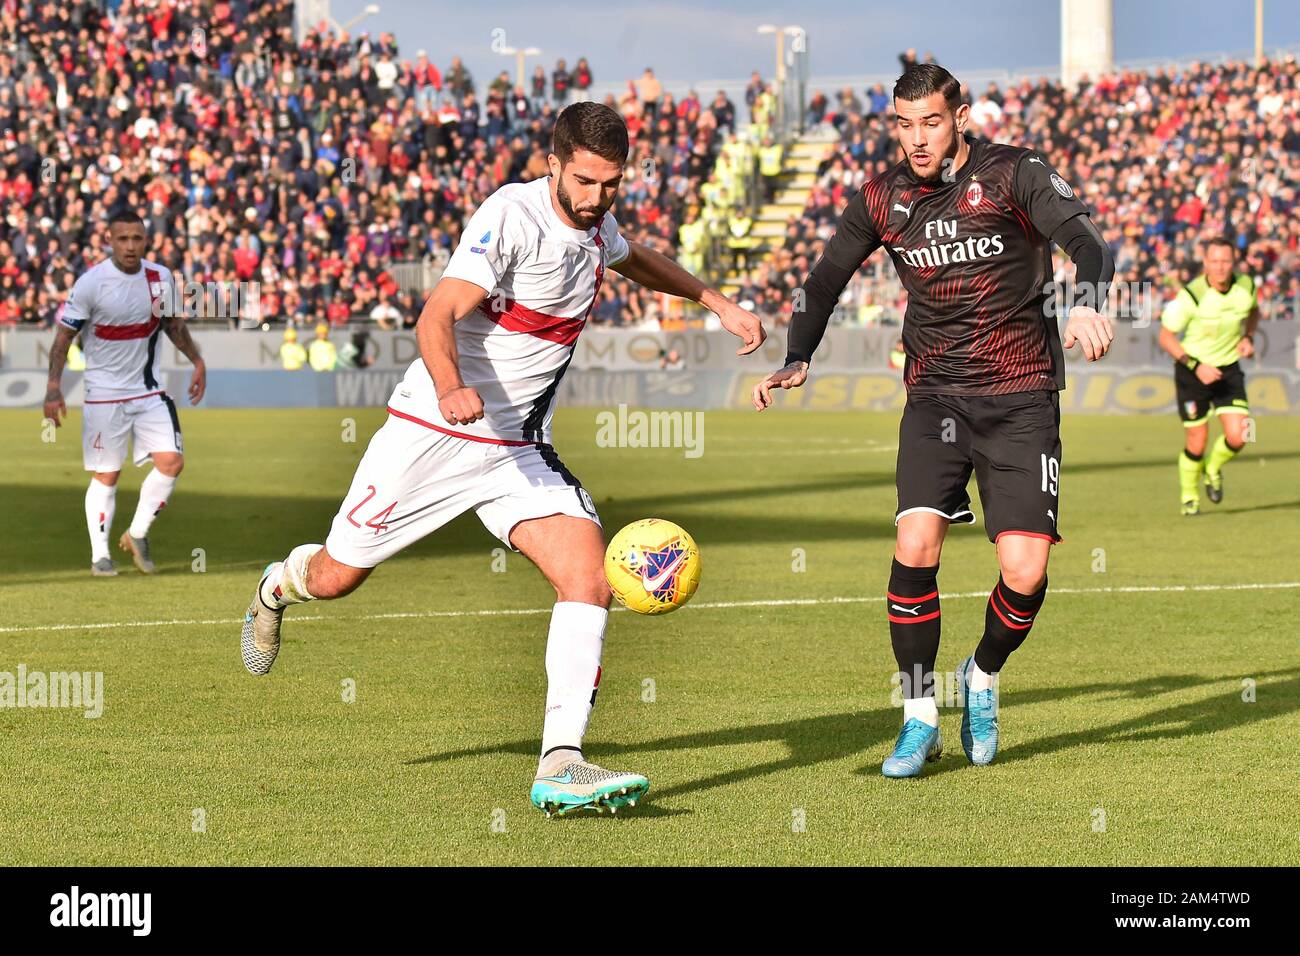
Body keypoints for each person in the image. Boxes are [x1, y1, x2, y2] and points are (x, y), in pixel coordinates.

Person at [239, 102, 765, 815]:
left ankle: (561, 762)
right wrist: (452, 388)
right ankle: (277, 586)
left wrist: (716, 302)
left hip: (517, 448)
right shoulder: (510, 216)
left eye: (611, 185)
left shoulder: (595, 220)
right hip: (434, 433)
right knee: (335, 578)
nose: (597, 198)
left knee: (587, 576)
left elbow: (632, 256)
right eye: (584, 181)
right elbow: (437, 313)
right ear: (552, 163)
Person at [752, 64, 1115, 778]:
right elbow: (823, 280)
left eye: (931, 122)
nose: (916, 139)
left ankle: (981, 675)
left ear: (960, 117)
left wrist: (1089, 299)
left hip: (1020, 397)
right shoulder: (882, 198)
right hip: (936, 401)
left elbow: (1089, 243)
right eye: (903, 123)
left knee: (1026, 569)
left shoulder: (1015, 174)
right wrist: (797, 354)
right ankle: (919, 717)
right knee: (916, 546)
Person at [42, 210, 206, 577]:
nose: (130, 246)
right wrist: (53, 386)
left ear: (145, 240)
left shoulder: (159, 277)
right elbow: (63, 338)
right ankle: (100, 554)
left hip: (149, 391)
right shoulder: (91, 283)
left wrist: (197, 359)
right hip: (103, 395)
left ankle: (137, 533)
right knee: (107, 475)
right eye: (123, 239)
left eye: (137, 238)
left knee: (172, 462)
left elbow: (171, 325)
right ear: (109, 240)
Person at [1157, 236, 1260, 515]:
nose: (1220, 267)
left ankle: (1213, 467)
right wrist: (1195, 366)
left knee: (1241, 436)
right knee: (1196, 442)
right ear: (1205, 263)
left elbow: (1254, 311)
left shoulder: (1246, 286)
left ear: (1234, 262)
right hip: (1193, 372)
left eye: (1225, 261)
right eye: (1214, 261)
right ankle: (1189, 496)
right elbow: (1166, 337)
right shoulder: (1191, 295)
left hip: (1228, 369)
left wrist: (1248, 336)